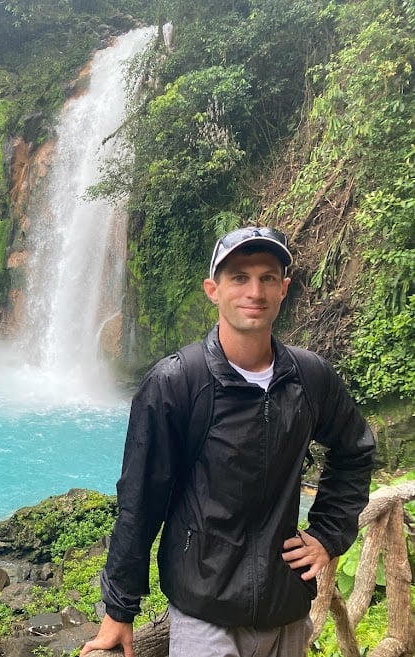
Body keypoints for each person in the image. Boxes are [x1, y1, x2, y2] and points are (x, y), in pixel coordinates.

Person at [81, 227, 375, 657]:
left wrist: (328, 535)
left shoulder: (310, 378)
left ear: (283, 289)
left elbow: (355, 451)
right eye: (239, 277)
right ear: (213, 290)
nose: (254, 290)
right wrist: (119, 609)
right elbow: (140, 501)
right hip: (205, 613)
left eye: (267, 278)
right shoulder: (177, 382)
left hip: (285, 609)